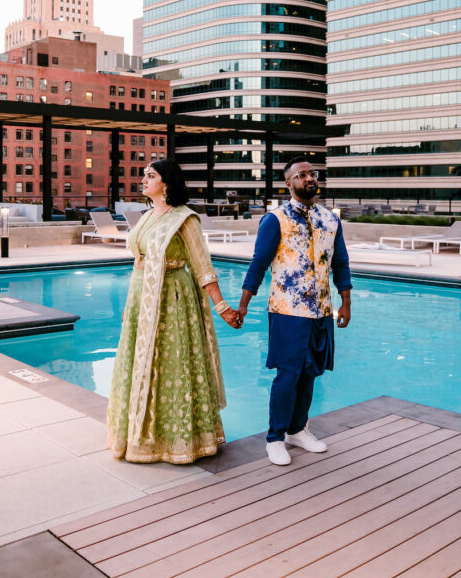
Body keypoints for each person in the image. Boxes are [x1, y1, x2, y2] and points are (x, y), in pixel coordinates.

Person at [107, 158, 240, 464]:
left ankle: (179, 441)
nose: (143, 180)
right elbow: (137, 262)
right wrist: (130, 305)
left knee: (172, 365)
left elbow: (202, 266)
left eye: (149, 176)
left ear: (166, 183)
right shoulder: (147, 216)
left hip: (173, 299)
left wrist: (221, 307)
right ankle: (138, 437)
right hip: (143, 297)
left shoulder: (185, 219)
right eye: (143, 175)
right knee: (137, 365)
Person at [237, 156, 352, 466]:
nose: (308, 178)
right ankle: (274, 438)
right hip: (287, 310)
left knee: (311, 373)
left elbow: (340, 262)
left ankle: (297, 430)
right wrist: (244, 305)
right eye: (300, 175)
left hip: (322, 311)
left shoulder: (330, 219)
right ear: (289, 184)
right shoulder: (275, 219)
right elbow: (258, 263)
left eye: (311, 174)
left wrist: (346, 302)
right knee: (288, 375)